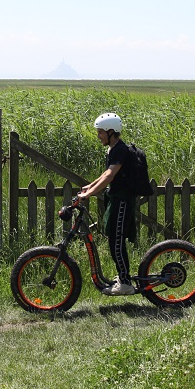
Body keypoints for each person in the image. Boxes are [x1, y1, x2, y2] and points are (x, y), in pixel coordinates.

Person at [78, 113, 137, 296]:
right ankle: (123, 276)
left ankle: (125, 283)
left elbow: (110, 176)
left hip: (122, 201)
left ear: (111, 131)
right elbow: (106, 174)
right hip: (116, 199)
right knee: (114, 238)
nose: (99, 136)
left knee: (116, 241)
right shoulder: (114, 149)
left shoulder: (120, 150)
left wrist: (89, 193)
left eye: (101, 132)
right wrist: (90, 186)